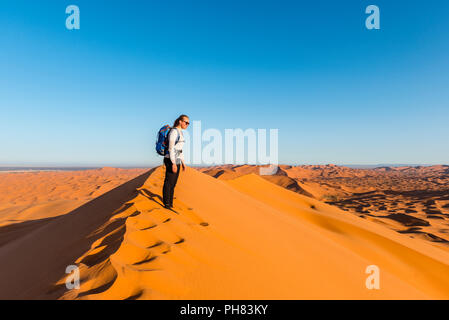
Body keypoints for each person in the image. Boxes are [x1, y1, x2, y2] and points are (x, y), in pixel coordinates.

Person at [163, 114, 189, 209]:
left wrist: (183, 162)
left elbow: (179, 149)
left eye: (188, 123)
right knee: (169, 182)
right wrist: (173, 163)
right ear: (180, 122)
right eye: (186, 122)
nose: (187, 124)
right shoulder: (174, 132)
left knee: (173, 183)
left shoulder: (180, 132)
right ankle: (166, 204)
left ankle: (170, 203)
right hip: (170, 159)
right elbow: (171, 148)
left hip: (177, 159)